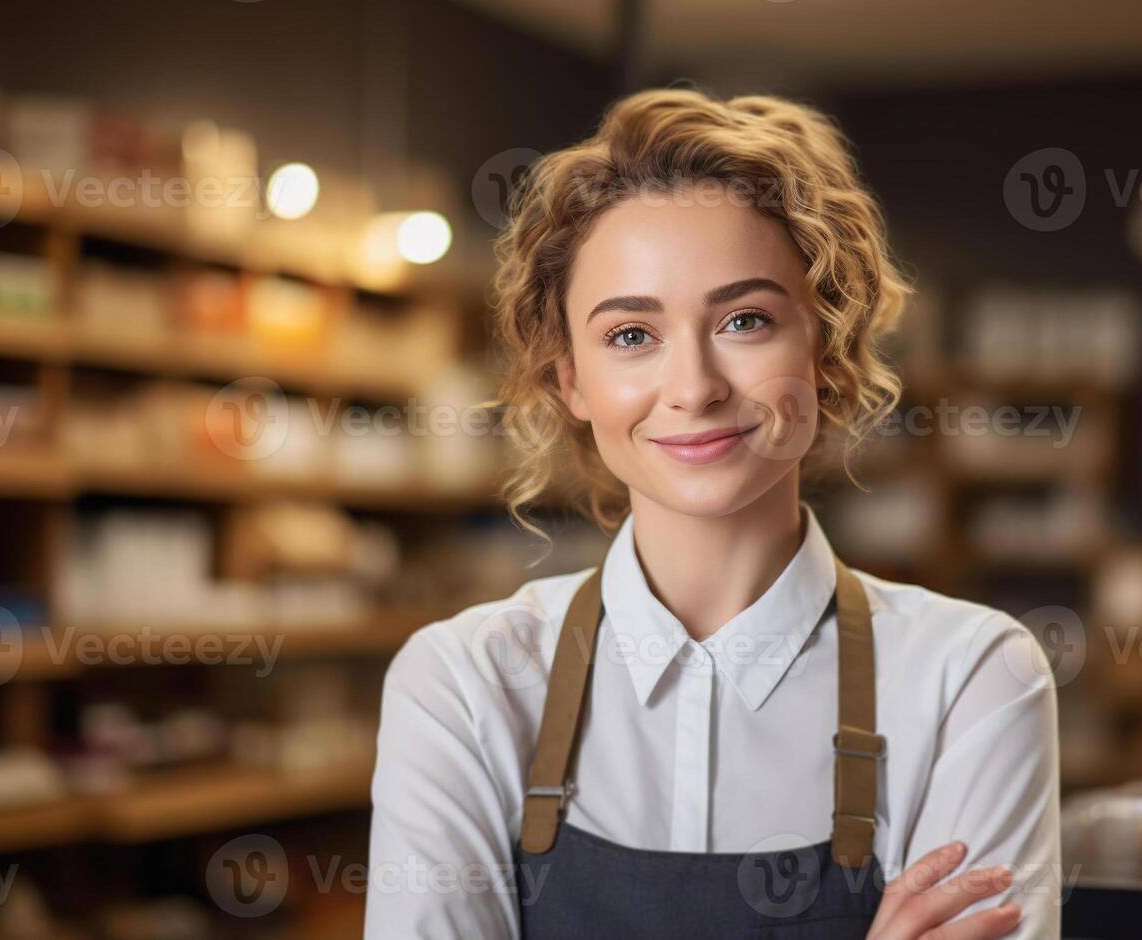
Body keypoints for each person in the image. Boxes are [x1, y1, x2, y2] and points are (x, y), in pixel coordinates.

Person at [365, 86, 1061, 939]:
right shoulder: (464, 687)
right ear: (570, 380)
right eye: (630, 335)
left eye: (744, 319)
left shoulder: (971, 678)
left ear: (826, 352)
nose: (693, 387)